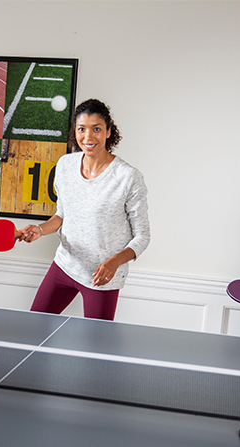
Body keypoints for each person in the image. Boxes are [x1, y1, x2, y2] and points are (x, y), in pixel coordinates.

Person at [19, 99, 150, 321]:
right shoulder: (65, 165)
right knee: (34, 328)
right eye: (82, 129)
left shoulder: (128, 177)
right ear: (75, 132)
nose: (88, 137)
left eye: (96, 129)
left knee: (95, 349)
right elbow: (62, 214)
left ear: (109, 132)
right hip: (65, 265)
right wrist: (40, 229)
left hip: (101, 277)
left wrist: (114, 262)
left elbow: (143, 236)